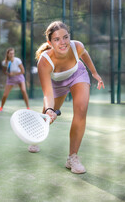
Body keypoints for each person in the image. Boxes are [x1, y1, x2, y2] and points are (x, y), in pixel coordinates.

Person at [29, 21, 104, 174]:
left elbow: (85, 55)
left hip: (78, 74)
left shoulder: (77, 46)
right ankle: (35, 137)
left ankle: (72, 158)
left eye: (65, 37)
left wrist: (94, 73)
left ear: (69, 37)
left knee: (81, 110)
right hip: (56, 84)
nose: (63, 43)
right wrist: (50, 109)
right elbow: (47, 93)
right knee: (46, 117)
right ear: (50, 42)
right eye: (57, 39)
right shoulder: (44, 61)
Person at [0, 48, 30, 112]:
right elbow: (4, 72)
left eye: (13, 53)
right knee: (5, 95)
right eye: (10, 53)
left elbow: (23, 71)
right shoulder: (5, 62)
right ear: (7, 54)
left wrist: (14, 73)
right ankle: (1, 107)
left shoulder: (17, 60)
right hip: (11, 79)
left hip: (19, 77)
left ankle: (28, 107)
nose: (12, 55)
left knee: (23, 90)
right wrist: (9, 74)